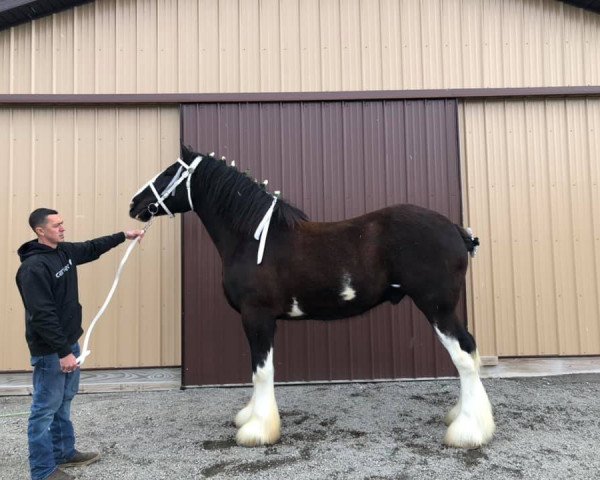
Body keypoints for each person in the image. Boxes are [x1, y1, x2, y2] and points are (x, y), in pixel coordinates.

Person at [15, 208, 145, 480]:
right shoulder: (33, 268)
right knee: (44, 409)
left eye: (62, 223)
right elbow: (42, 315)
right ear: (40, 231)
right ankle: (42, 470)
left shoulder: (62, 252)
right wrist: (63, 353)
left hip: (69, 344)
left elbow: (91, 247)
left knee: (64, 401)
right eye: (56, 225)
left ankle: (64, 452)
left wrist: (124, 235)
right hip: (52, 351)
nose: (63, 228)